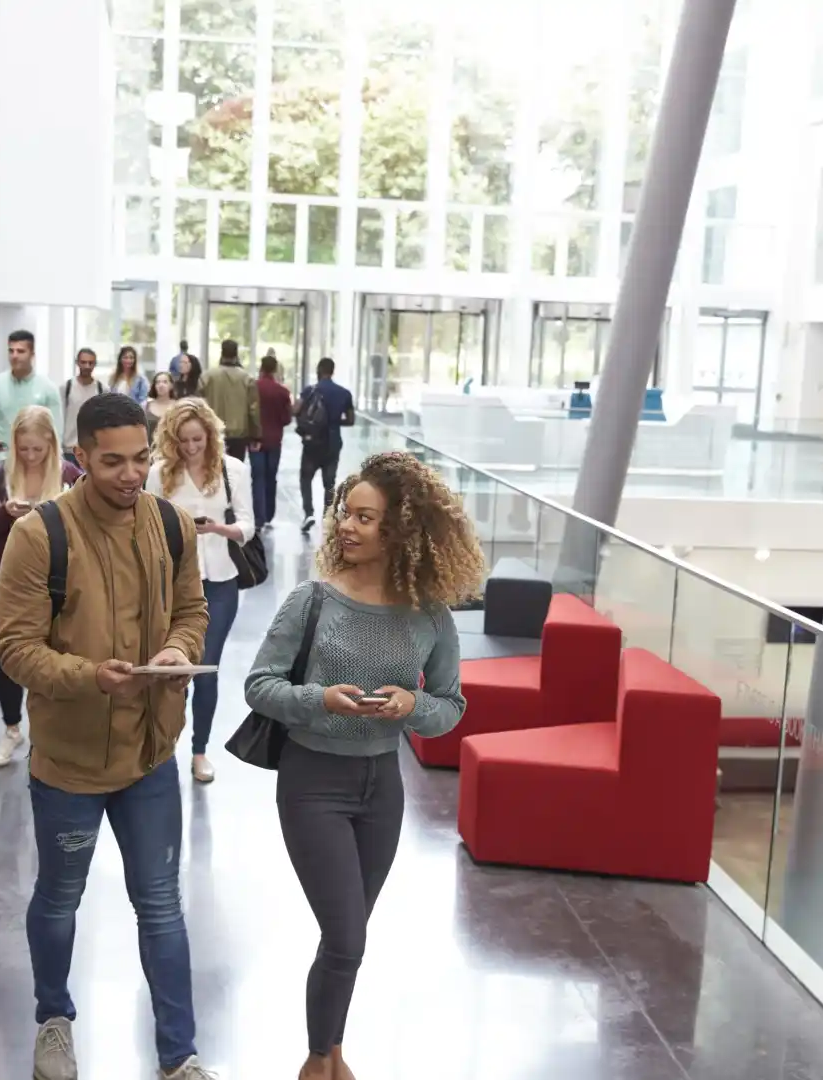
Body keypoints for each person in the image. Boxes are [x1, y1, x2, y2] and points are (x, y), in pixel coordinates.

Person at [0, 393, 215, 1080]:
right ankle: (53, 1021)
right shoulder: (40, 536)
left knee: (160, 904)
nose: (130, 473)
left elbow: (192, 610)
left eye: (140, 458)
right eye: (112, 461)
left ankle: (180, 1056)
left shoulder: (172, 526)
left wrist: (179, 649)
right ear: (80, 457)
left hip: (151, 753)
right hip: (69, 762)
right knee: (60, 899)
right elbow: (16, 650)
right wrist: (93, 676)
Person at [244, 451, 482, 1080]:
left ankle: (332, 1051)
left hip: (382, 788)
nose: (346, 526)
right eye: (345, 513)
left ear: (400, 530)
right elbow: (259, 685)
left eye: (365, 518)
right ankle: (318, 1062)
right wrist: (318, 698)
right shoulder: (312, 600)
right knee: (348, 936)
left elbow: (451, 708)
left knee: (347, 939)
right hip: (312, 782)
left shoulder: (431, 615)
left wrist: (413, 706)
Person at [146, 398, 254, 785]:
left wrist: (217, 529)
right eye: (184, 441)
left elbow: (248, 526)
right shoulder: (158, 473)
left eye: (198, 439)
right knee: (171, 668)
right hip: (171, 581)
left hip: (221, 581)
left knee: (205, 670)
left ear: (210, 435)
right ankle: (163, 748)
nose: (192, 447)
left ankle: (199, 750)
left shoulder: (233, 470)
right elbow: (147, 524)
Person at [0, 406, 83, 768]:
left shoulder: (70, 475)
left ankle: (52, 731)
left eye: (37, 450)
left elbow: (87, 526)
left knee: (57, 651)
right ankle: (12, 728)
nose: (30, 456)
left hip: (59, 577)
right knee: (7, 654)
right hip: (9, 578)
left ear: (51, 445)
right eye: (23, 449)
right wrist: (5, 512)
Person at [0, 329, 63, 466]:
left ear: (32, 354)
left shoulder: (48, 388)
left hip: (35, 463)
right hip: (2, 460)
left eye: (20, 351)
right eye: (11, 351)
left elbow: (56, 431)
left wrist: (57, 463)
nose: (15, 356)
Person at [296, 357, 356, 534]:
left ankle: (309, 513)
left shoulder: (309, 391)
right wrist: (334, 422)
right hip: (333, 442)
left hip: (312, 442)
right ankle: (327, 517)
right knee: (329, 482)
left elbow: (295, 410)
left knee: (306, 478)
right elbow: (351, 420)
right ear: (332, 371)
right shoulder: (344, 393)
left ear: (318, 370)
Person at [250, 353, 293, 531]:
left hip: (255, 440)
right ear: (275, 370)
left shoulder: (253, 388)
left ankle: (258, 517)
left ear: (261, 368)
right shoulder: (282, 392)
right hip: (275, 440)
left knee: (257, 478)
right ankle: (269, 514)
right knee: (271, 477)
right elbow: (287, 419)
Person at [197, 339, 260, 460]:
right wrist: (256, 435)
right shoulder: (247, 379)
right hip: (239, 433)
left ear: (222, 353)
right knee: (235, 473)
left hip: (213, 430)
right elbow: (254, 409)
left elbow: (198, 404)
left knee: (213, 470)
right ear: (236, 355)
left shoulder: (207, 377)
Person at [59, 347, 104, 466]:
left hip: (92, 448)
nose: (87, 366)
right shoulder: (66, 387)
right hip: (69, 449)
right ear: (77, 363)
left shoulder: (101, 389)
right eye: (83, 362)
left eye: (91, 363)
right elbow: (59, 416)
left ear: (95, 364)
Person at [146, 371, 179, 441]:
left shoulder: (178, 407)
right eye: (158, 382)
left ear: (171, 385)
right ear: (154, 386)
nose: (161, 385)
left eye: (165, 382)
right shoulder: (146, 406)